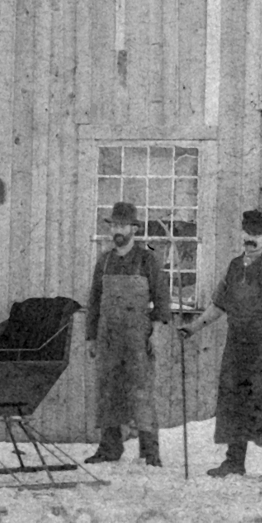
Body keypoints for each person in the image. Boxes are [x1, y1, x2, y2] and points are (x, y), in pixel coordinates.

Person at [178, 208, 262, 479]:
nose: (252, 239)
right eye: (248, 233)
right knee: (233, 401)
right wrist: (193, 327)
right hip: (236, 347)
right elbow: (218, 305)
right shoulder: (233, 267)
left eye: (258, 235)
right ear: (242, 234)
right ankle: (234, 461)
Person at [84, 200, 172, 467]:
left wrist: (154, 333)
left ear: (134, 228)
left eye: (123, 225)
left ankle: (150, 451)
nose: (117, 231)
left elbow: (163, 302)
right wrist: (91, 337)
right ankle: (110, 447)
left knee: (141, 392)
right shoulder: (105, 261)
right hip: (108, 337)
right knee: (108, 390)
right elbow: (94, 302)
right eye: (114, 226)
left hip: (137, 339)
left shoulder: (147, 260)